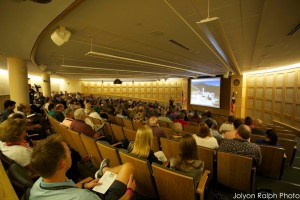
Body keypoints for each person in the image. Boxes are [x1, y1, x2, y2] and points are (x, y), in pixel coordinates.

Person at [30, 134, 136, 200]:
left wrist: (84, 185)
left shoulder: (37, 185)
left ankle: (104, 170)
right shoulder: (83, 197)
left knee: (126, 167)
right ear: (62, 164)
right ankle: (104, 170)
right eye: (69, 152)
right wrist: (129, 192)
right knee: (128, 166)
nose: (71, 153)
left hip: (85, 192)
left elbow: (61, 191)